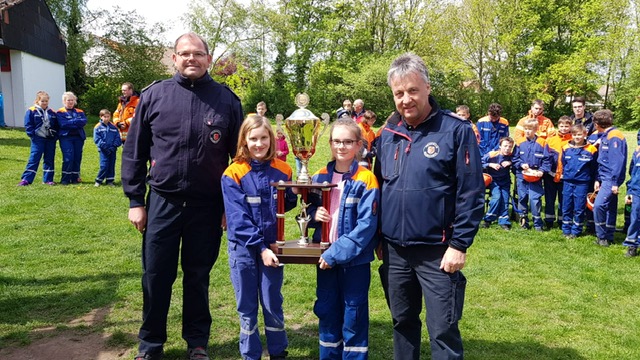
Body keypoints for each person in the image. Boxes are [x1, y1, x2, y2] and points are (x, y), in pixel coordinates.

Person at [121, 32, 243, 360]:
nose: (191, 58)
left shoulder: (227, 100)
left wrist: (230, 208)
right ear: (174, 59)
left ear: (208, 59)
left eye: (198, 54)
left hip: (207, 206)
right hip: (162, 201)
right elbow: (134, 151)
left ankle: (198, 343)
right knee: (156, 276)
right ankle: (150, 346)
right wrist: (136, 200)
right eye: (184, 53)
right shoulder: (154, 96)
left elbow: (240, 162)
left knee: (198, 276)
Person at [374, 53, 484, 360]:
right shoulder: (387, 136)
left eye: (412, 91)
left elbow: (471, 193)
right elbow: (379, 189)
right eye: (399, 93)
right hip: (395, 252)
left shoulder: (456, 131)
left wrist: (459, 244)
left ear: (427, 87)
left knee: (443, 331)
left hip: (439, 252)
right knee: (402, 324)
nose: (406, 99)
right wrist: (379, 239)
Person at [221, 115, 295, 360]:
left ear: (271, 139)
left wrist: (300, 193)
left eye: (264, 138)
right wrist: (261, 248)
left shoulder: (283, 169)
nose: (259, 144)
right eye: (253, 138)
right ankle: (250, 354)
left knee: (272, 301)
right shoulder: (233, 173)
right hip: (244, 249)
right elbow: (237, 219)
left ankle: (278, 352)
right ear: (244, 140)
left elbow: (288, 204)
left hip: (273, 248)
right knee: (247, 306)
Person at [306, 118, 380, 360]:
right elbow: (305, 213)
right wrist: (313, 215)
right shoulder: (318, 177)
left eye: (348, 142)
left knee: (353, 314)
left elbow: (366, 226)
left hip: (353, 263)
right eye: (337, 141)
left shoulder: (366, 178)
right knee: (327, 312)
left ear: (358, 144)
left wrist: (335, 254)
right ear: (330, 143)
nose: (342, 146)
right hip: (325, 261)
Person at [592, 109, 627, 247]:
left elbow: (617, 162)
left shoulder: (614, 137)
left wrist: (614, 182)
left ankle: (601, 236)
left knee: (599, 206)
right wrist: (597, 178)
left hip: (610, 178)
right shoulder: (607, 135)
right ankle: (609, 235)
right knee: (610, 206)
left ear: (597, 124)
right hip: (605, 177)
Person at [558, 124, 597, 239]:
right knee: (566, 206)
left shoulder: (591, 149)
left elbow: (594, 168)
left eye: (579, 134)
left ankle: (576, 231)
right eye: (574, 134)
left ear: (585, 135)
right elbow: (563, 163)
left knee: (579, 208)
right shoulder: (566, 147)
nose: (577, 137)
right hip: (567, 182)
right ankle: (566, 229)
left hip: (582, 183)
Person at [513, 118, 550, 231]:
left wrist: (541, 171)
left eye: (530, 129)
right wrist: (520, 164)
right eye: (526, 129)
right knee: (522, 198)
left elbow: (547, 160)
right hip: (522, 175)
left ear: (536, 130)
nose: (528, 131)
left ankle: (538, 223)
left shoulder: (542, 143)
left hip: (535, 177)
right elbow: (515, 158)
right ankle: (523, 222)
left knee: (535, 199)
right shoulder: (520, 142)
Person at [18, 91, 59, 186]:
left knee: (49, 159)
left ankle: (48, 179)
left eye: (46, 101)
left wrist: (55, 136)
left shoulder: (51, 112)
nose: (44, 103)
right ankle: (26, 179)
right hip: (38, 139)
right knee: (34, 158)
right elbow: (28, 124)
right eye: (42, 101)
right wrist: (32, 135)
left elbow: (56, 125)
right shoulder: (31, 111)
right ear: (37, 101)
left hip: (49, 139)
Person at [543, 116, 573, 229]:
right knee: (549, 199)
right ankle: (549, 220)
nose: (564, 128)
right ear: (557, 126)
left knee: (564, 200)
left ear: (571, 126)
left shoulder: (573, 140)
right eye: (561, 126)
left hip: (566, 176)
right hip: (551, 175)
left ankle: (562, 221)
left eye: (566, 126)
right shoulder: (551, 139)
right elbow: (546, 157)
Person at [481, 137, 515, 230]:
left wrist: (510, 163)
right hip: (493, 181)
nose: (507, 148)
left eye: (510, 146)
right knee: (497, 197)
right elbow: (480, 162)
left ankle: (504, 221)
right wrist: (490, 164)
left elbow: (517, 162)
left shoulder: (511, 156)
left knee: (505, 199)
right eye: (505, 146)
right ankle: (488, 219)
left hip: (505, 181)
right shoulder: (492, 154)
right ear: (500, 146)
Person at [57, 91, 87, 185]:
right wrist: (75, 122)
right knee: (68, 158)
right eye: (68, 100)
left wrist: (71, 122)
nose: (70, 102)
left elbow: (83, 122)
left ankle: (75, 178)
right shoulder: (60, 112)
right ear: (64, 101)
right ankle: (65, 179)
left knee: (77, 157)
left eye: (72, 100)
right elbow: (63, 124)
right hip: (66, 137)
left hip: (78, 137)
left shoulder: (80, 111)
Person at [93, 109, 122, 187]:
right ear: (101, 117)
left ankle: (110, 180)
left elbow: (117, 137)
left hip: (112, 149)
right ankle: (99, 180)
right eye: (105, 117)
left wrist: (114, 146)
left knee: (111, 165)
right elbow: (97, 139)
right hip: (103, 150)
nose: (106, 118)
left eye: (108, 116)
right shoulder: (98, 127)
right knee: (104, 165)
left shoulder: (113, 127)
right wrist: (104, 146)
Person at [623, 139, 640, 257]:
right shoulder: (637, 153)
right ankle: (632, 245)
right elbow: (632, 174)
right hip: (637, 190)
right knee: (635, 217)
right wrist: (629, 191)